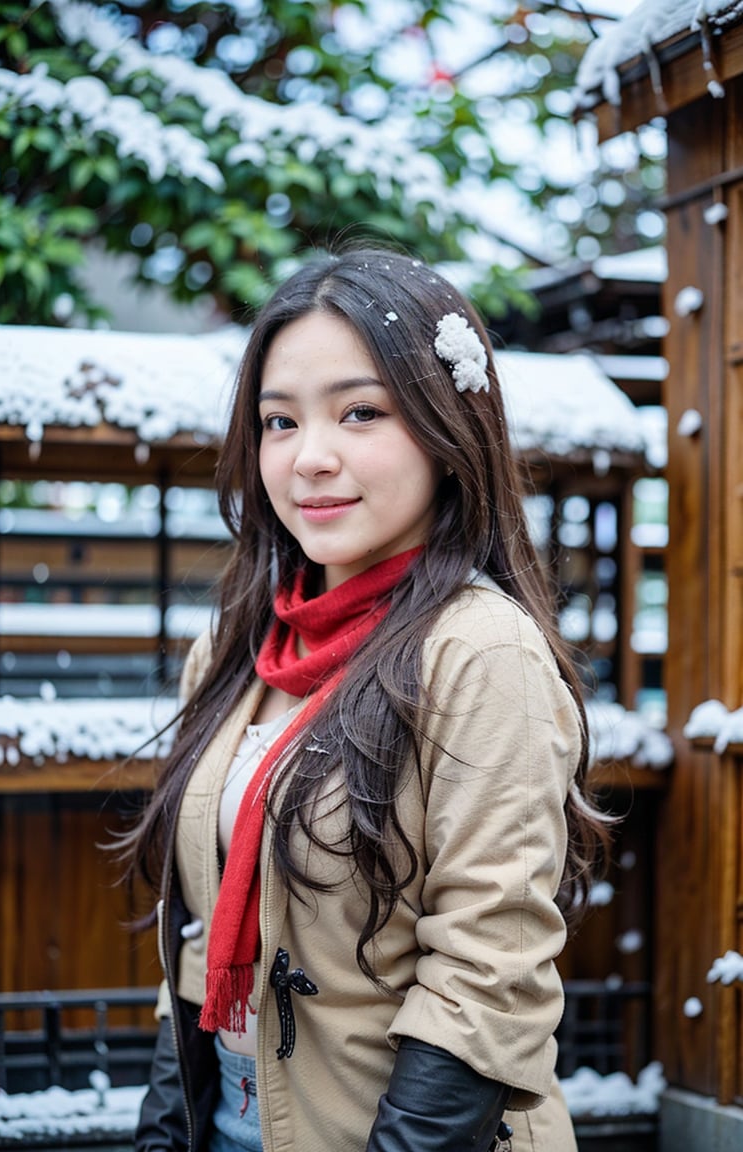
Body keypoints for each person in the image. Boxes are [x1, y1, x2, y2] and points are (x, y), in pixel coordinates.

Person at [125, 246, 608, 1152]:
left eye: (360, 412)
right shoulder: (238, 649)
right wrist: (167, 1125)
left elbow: (486, 973)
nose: (310, 457)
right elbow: (199, 934)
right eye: (278, 421)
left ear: (446, 429)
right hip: (230, 1122)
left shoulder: (478, 651)